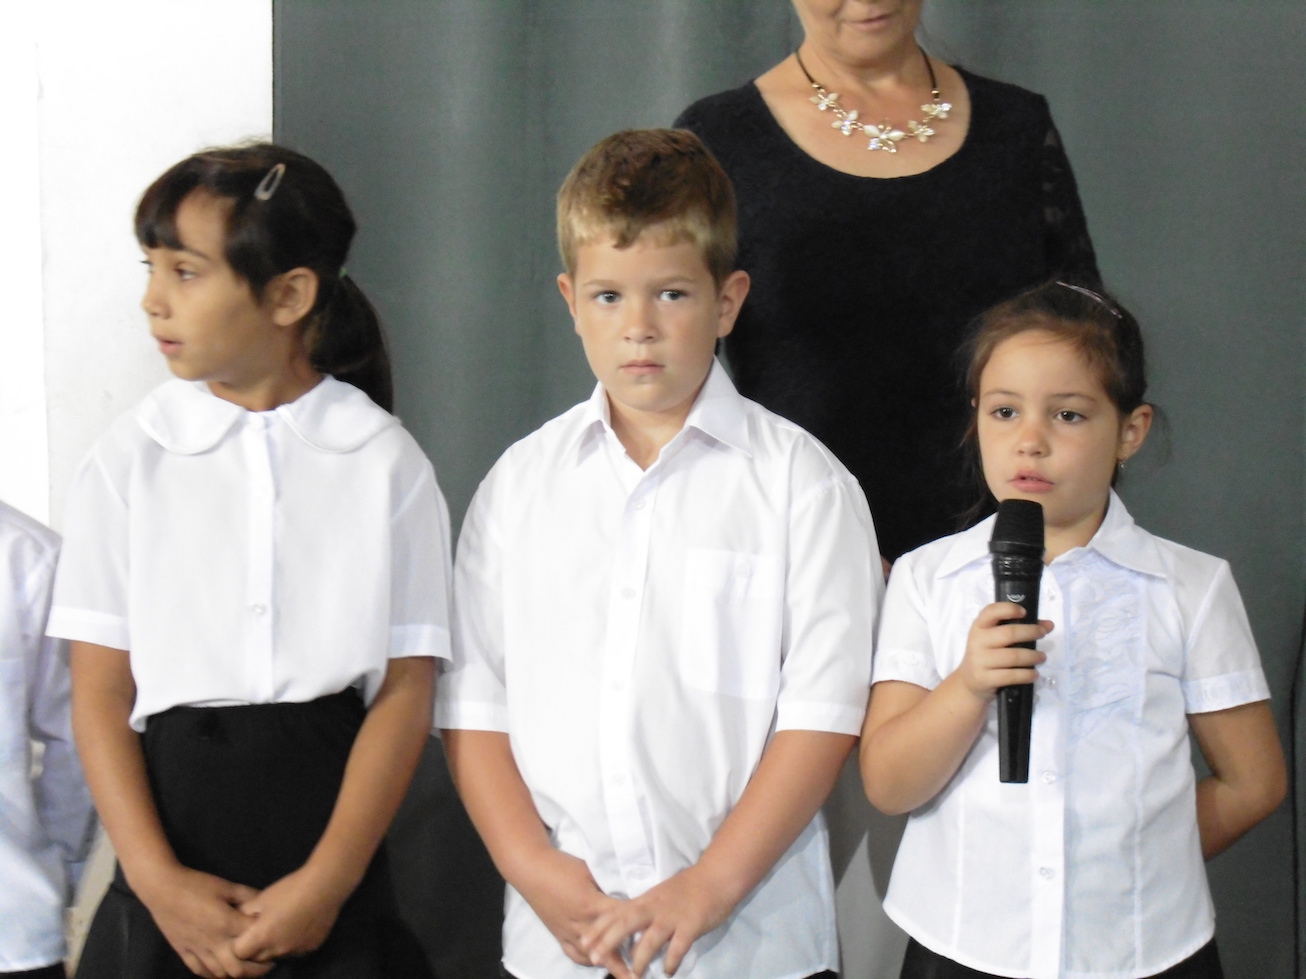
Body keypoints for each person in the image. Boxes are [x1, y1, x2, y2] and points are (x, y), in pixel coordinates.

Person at [437, 128, 880, 979]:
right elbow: (474, 704)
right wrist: (532, 867)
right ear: (570, 300)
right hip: (564, 940)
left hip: (750, 948)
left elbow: (821, 714)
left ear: (728, 300)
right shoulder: (519, 487)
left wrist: (707, 886)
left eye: (671, 294)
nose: (638, 327)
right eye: (608, 296)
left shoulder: (804, 486)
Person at [47, 144, 449, 979]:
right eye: (151, 267)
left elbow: (407, 687)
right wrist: (156, 883)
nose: (154, 299)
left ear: (289, 295)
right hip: (171, 845)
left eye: (186, 272)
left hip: (331, 848)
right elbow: (100, 690)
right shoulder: (128, 459)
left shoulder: (383, 461)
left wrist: (329, 880)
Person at [859, 280, 1287, 979]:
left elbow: (1253, 781)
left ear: (1131, 431)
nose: (1030, 441)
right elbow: (888, 783)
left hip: (1141, 951)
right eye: (1004, 411)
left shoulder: (1191, 587)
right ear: (976, 419)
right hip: (966, 944)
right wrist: (968, 685)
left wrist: (1133, 862)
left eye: (1068, 414)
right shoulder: (925, 577)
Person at [675, 0, 1099, 560]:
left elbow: (1089, 355)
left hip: (1007, 559)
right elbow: (676, 388)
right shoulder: (717, 140)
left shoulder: (1017, 125)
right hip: (799, 557)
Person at [0, 500, 96, 979]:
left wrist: (57, 863)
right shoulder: (26, 554)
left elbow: (80, 736)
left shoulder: (31, 558)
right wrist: (62, 863)